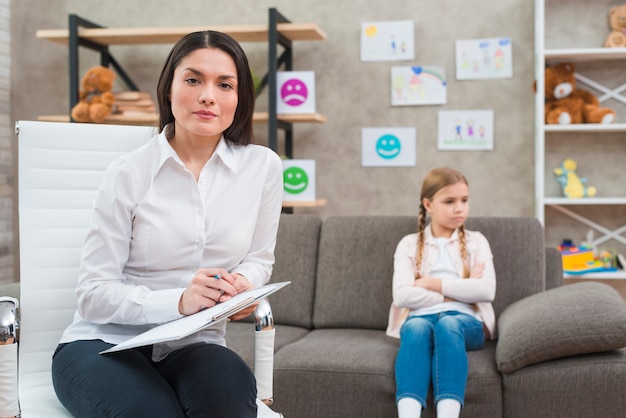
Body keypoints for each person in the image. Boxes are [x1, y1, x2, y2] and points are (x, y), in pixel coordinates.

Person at [51, 30, 283, 418]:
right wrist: (178, 302)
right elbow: (92, 293)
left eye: (225, 84)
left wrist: (242, 287)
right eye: (193, 80)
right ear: (169, 88)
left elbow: (259, 258)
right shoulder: (127, 173)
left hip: (197, 344)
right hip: (104, 344)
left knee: (228, 406)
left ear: (239, 97)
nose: (208, 95)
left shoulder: (263, 167)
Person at [386, 167, 496, 418]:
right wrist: (462, 288)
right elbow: (402, 296)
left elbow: (486, 290)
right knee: (415, 329)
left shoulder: (477, 241)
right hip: (419, 317)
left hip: (467, 321)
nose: (460, 208)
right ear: (428, 204)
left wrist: (429, 283)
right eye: (450, 201)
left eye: (464, 200)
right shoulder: (408, 244)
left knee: (447, 324)